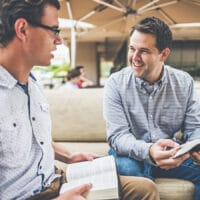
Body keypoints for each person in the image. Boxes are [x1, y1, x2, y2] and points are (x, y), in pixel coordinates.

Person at [0, 1, 160, 200]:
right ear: (22, 29)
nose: (59, 41)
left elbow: (29, 139)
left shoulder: (31, 84)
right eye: (54, 30)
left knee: (144, 188)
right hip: (25, 194)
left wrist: (68, 156)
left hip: (53, 179)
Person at [103, 16, 200, 200]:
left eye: (144, 51)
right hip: (129, 154)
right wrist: (148, 151)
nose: (135, 58)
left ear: (164, 54)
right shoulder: (115, 83)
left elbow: (194, 128)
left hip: (170, 154)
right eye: (132, 49)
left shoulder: (184, 82)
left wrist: (196, 148)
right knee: (132, 173)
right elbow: (118, 137)